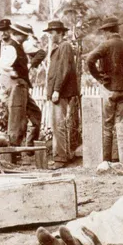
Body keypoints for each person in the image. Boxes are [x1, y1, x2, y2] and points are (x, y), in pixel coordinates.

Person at [85, 15, 123, 162]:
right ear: (117, 29)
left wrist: (99, 77)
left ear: (107, 31)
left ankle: (106, 161)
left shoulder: (105, 45)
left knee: (107, 126)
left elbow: (89, 60)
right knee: (120, 125)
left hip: (109, 89)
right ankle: (119, 158)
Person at [44, 20, 80, 168]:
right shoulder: (59, 47)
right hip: (56, 92)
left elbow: (64, 70)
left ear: (60, 33)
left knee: (58, 125)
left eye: (52, 33)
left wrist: (57, 90)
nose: (50, 36)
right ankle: (63, 155)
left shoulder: (64, 46)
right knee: (57, 124)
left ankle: (60, 159)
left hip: (60, 93)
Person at [0, 19, 31, 151]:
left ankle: (29, 145)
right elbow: (0, 65)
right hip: (11, 82)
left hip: (19, 82)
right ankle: (13, 150)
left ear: (11, 31)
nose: (4, 33)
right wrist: (11, 72)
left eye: (6, 30)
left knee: (31, 113)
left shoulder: (13, 44)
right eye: (1, 31)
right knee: (14, 115)